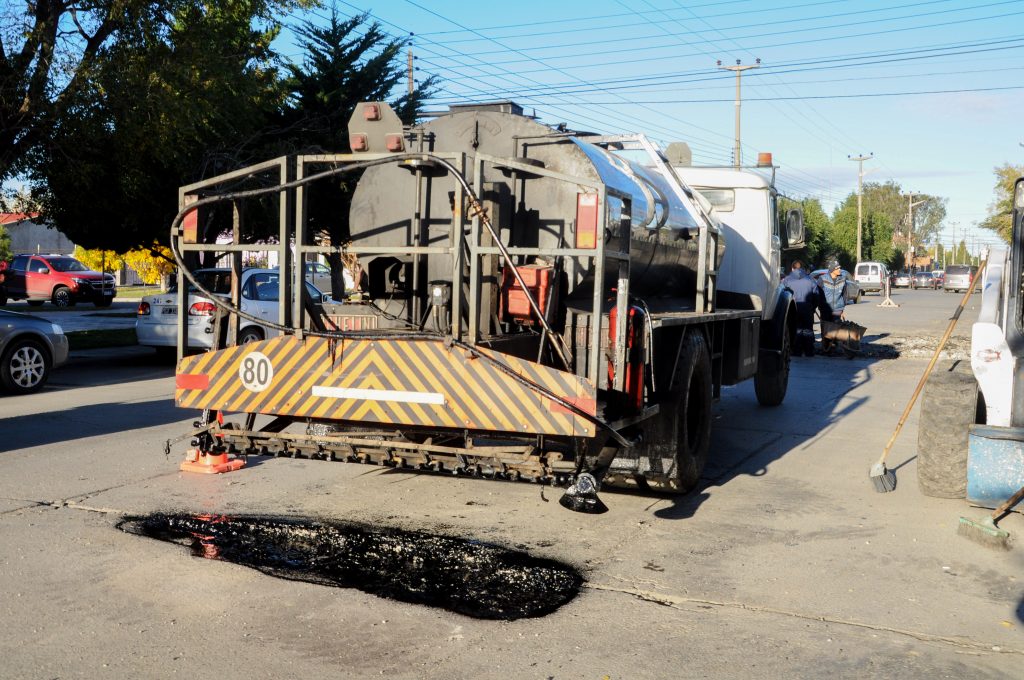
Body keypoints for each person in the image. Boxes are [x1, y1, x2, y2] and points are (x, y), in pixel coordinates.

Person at [783, 259, 825, 357]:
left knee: (796, 329)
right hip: (808, 310)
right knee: (808, 330)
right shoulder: (810, 280)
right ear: (802, 268)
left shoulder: (787, 280)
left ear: (792, 268)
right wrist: (812, 307)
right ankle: (809, 351)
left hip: (793, 311)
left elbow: (782, 296)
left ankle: (797, 351)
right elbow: (816, 296)